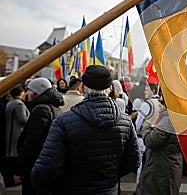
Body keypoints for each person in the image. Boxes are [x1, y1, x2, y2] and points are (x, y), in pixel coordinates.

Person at [31, 65, 140, 194]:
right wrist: (109, 176)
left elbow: (44, 171)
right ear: (110, 88)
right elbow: (133, 161)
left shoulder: (63, 122)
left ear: (82, 88)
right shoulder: (126, 121)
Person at [14, 78, 63, 194]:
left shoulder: (41, 109)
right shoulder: (53, 107)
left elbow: (31, 143)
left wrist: (19, 169)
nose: (26, 93)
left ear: (38, 92)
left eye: (30, 90)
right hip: (45, 164)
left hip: (35, 164)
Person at [136, 92, 183, 195]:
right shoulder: (178, 115)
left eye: (161, 101)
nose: (159, 104)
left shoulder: (168, 117)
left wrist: (146, 128)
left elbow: (151, 141)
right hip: (168, 168)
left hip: (161, 171)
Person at [134, 82, 163, 183]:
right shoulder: (162, 104)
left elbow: (138, 123)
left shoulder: (147, 104)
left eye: (146, 90)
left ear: (153, 91)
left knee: (141, 166)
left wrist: (138, 133)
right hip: (157, 140)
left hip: (144, 140)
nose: (144, 91)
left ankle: (140, 187)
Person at [3, 86, 29, 187]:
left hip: (9, 133)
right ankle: (13, 179)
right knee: (14, 158)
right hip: (17, 133)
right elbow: (23, 119)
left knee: (10, 158)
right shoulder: (19, 104)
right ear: (20, 93)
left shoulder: (10, 103)